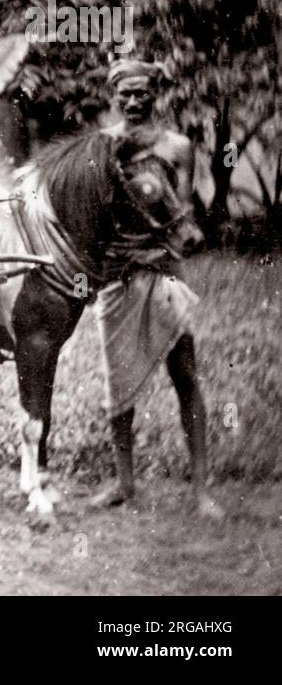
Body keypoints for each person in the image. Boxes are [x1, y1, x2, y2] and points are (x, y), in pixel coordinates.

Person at [93, 57, 221, 518]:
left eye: (141, 93)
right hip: (117, 273)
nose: (132, 102)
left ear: (155, 95)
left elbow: (182, 212)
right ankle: (125, 483)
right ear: (114, 97)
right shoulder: (102, 147)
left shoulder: (177, 147)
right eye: (124, 94)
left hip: (164, 270)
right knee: (118, 384)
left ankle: (202, 490)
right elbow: (94, 214)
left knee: (185, 374)